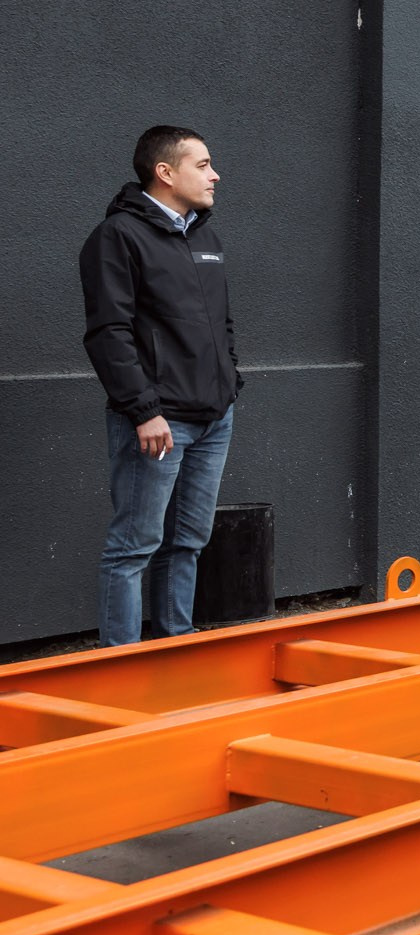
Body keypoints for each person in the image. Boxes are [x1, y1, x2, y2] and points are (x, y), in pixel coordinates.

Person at [79, 126, 241, 648]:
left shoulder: (204, 235)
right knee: (134, 545)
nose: (215, 174)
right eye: (203, 164)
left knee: (187, 541)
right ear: (165, 172)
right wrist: (144, 410)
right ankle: (119, 664)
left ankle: (177, 650)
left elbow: (222, 324)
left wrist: (229, 384)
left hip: (213, 417)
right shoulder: (118, 237)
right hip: (158, 421)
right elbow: (109, 333)